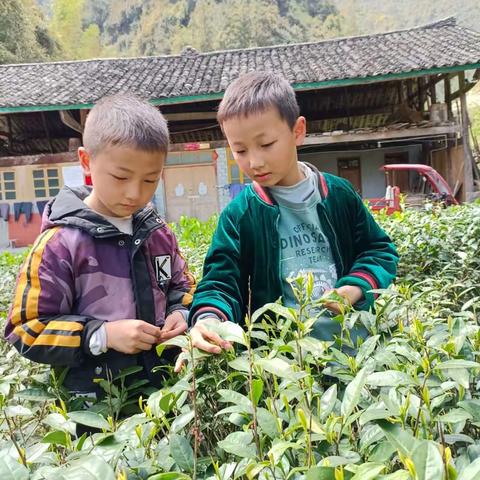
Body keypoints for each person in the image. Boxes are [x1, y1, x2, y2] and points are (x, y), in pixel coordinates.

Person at [183, 71, 398, 360]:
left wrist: (356, 286)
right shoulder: (240, 214)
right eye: (240, 149)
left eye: (267, 144)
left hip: (354, 352)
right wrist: (208, 319)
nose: (255, 161)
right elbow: (222, 280)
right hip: (285, 363)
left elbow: (378, 249)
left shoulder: (338, 194)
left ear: (297, 131)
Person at [5, 94, 195, 400]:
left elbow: (182, 285)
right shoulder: (60, 245)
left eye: (150, 180)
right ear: (86, 161)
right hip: (96, 410)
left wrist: (181, 312)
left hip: (165, 396)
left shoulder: (158, 234)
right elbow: (26, 328)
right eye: (120, 177)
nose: (135, 193)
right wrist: (102, 335)